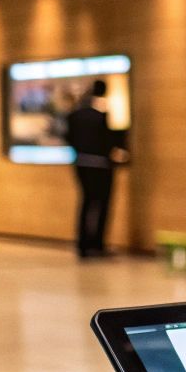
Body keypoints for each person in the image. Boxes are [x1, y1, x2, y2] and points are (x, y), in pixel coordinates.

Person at [65, 79, 123, 258]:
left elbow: (69, 137)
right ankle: (97, 243)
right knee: (102, 204)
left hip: (81, 162)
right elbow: (110, 140)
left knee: (86, 201)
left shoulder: (75, 114)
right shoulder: (101, 114)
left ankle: (83, 243)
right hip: (99, 164)